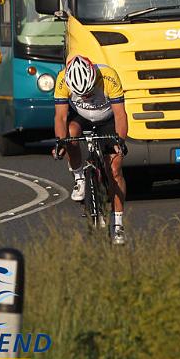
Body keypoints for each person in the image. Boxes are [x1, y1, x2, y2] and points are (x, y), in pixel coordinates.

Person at [53, 55, 128, 245]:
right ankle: (79, 177)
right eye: (81, 94)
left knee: (115, 169)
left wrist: (120, 141)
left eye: (88, 92)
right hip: (81, 117)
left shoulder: (108, 76)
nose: (86, 97)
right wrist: (61, 143)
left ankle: (117, 224)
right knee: (70, 134)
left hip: (107, 119)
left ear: (94, 77)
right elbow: (60, 117)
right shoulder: (62, 80)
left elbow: (120, 115)